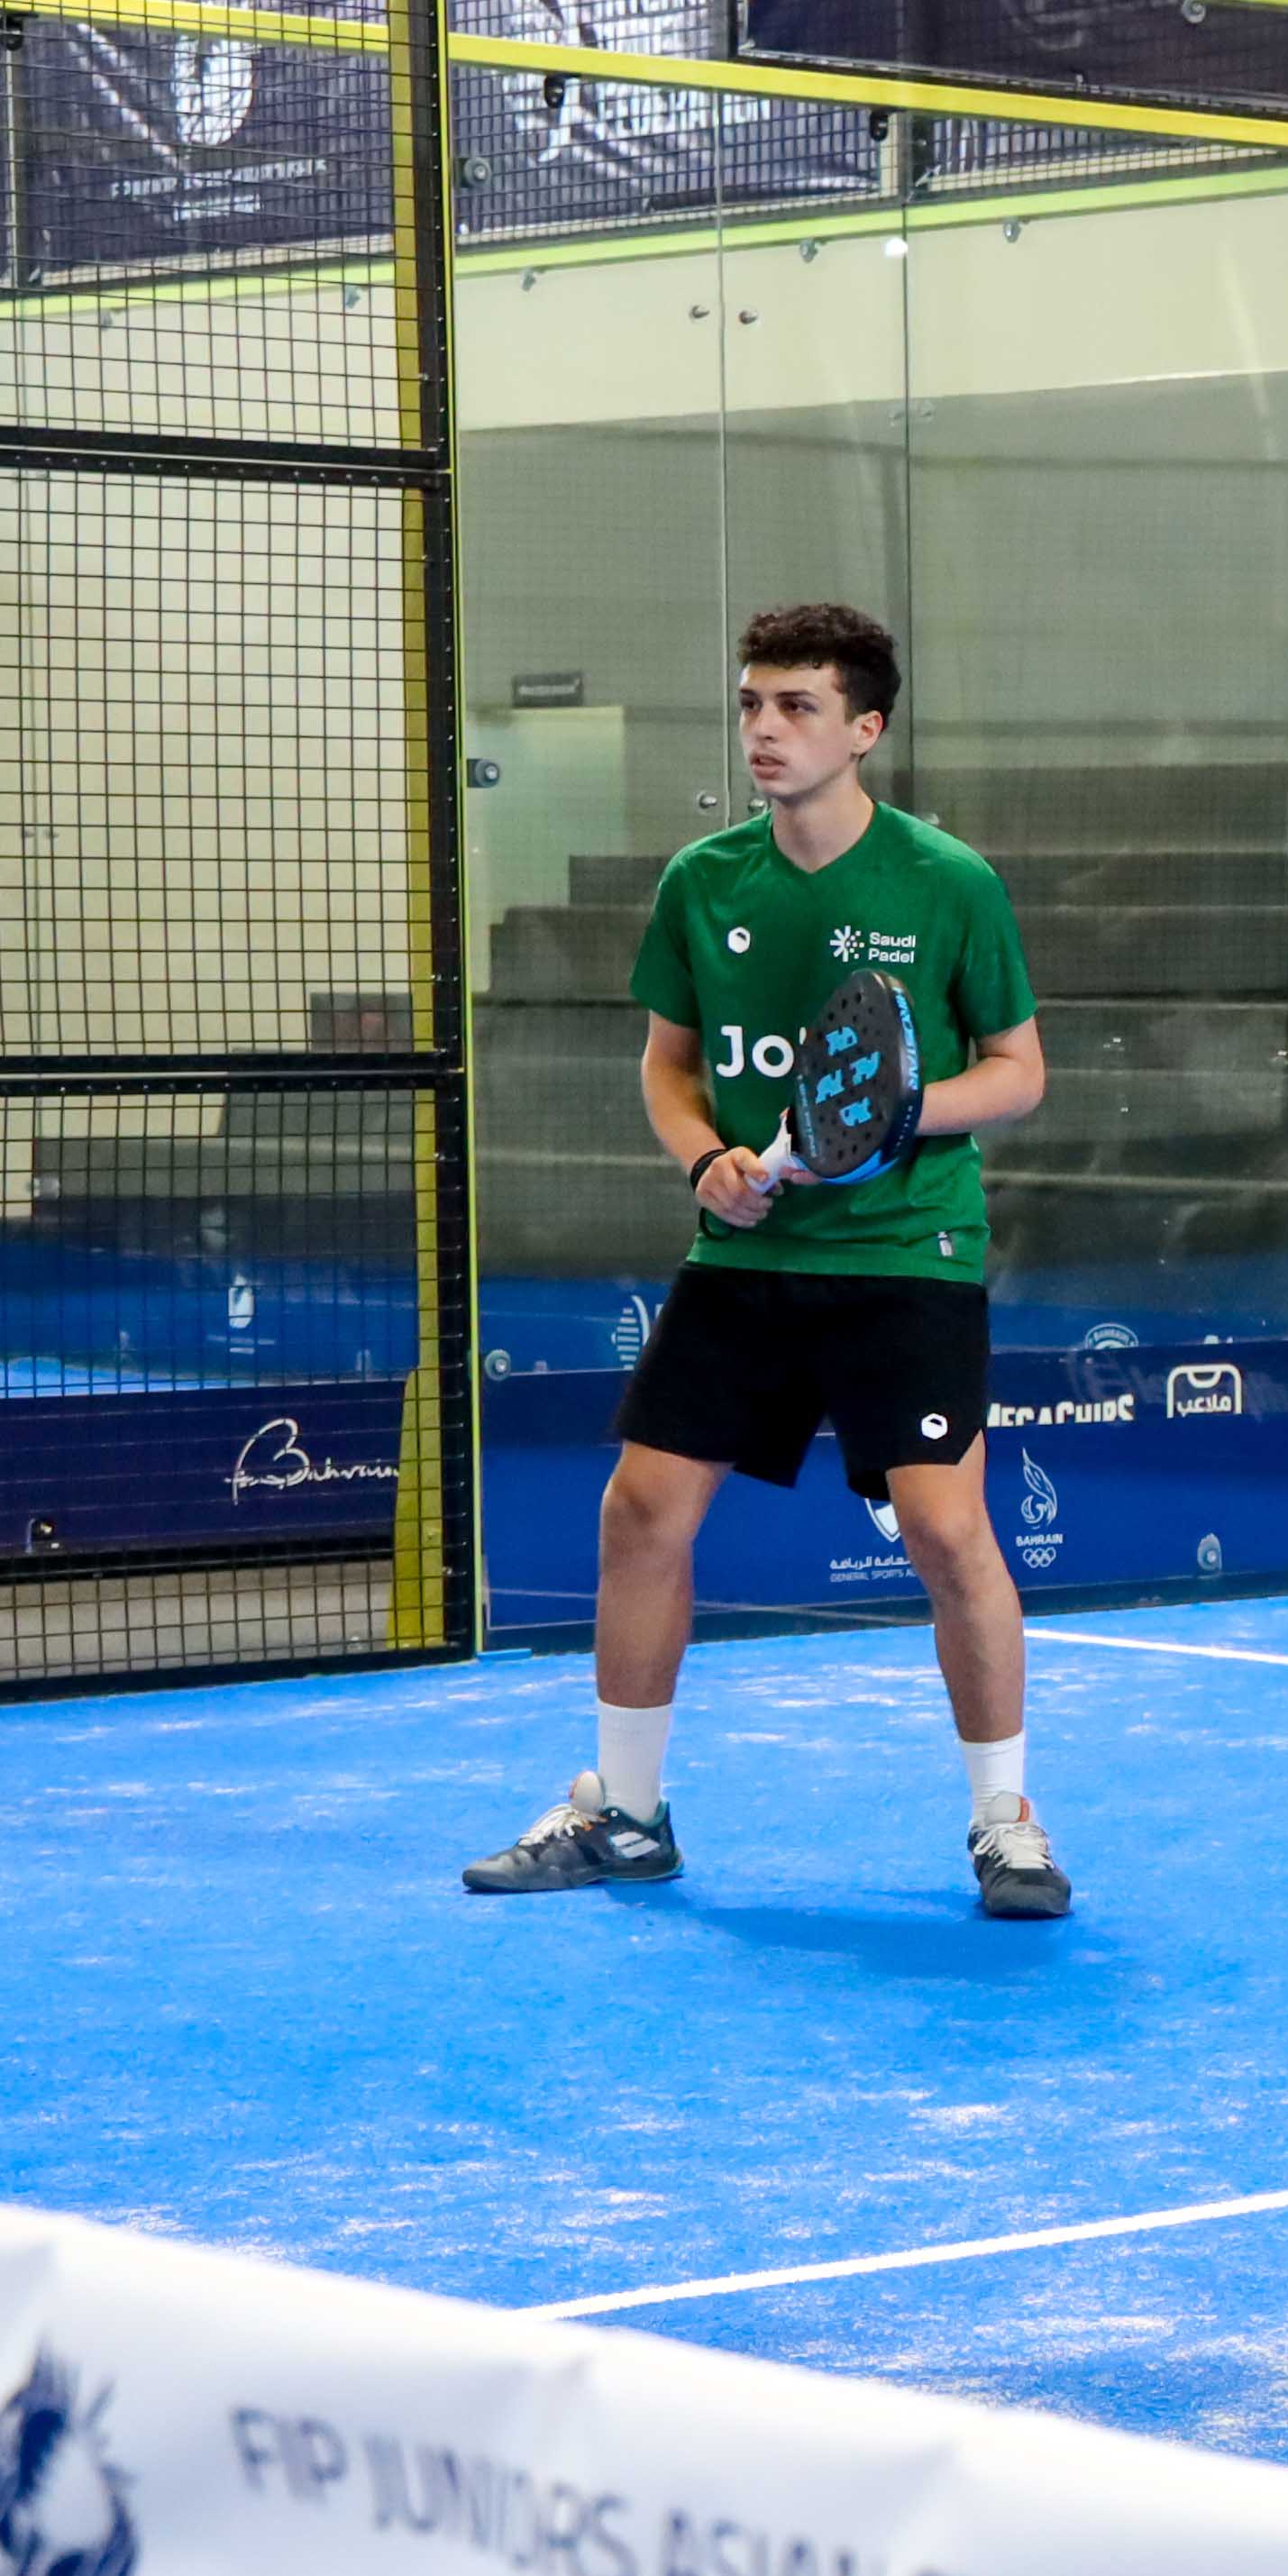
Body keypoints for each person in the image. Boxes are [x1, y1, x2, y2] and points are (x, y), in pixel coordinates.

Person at [465, 604, 1066, 1913]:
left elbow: (1018, 1071)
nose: (764, 730)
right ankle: (627, 1815)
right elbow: (668, 1066)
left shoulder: (949, 882)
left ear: (865, 728)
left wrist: (892, 1116)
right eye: (750, 704)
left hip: (908, 1248)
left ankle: (1005, 1820)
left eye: (797, 706)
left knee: (944, 1527)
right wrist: (704, 1161)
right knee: (641, 1511)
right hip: (743, 1254)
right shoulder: (702, 882)